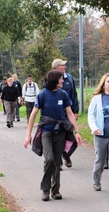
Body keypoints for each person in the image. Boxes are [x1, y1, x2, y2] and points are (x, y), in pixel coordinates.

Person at [23, 70, 82, 201]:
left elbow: (70, 113)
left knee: (56, 161)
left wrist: (77, 132)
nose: (63, 81)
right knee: (49, 159)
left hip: (60, 132)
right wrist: (28, 135)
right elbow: (33, 115)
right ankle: (45, 189)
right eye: (61, 79)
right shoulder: (42, 95)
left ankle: (55, 191)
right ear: (54, 81)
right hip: (46, 132)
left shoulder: (63, 94)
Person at [52, 59, 79, 169]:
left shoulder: (70, 78)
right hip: (55, 113)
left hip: (68, 113)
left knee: (70, 137)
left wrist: (75, 111)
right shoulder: (50, 78)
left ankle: (66, 155)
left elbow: (74, 95)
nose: (65, 67)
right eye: (63, 65)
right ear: (56, 67)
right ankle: (58, 161)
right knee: (57, 136)